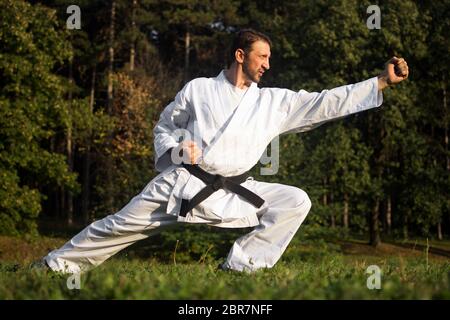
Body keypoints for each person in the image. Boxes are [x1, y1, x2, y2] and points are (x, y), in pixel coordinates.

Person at [40, 29, 409, 274]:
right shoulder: (198, 90)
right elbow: (165, 126)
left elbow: (325, 101)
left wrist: (379, 82)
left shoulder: (273, 103)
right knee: (116, 227)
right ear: (239, 55)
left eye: (269, 58)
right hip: (182, 186)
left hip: (234, 191)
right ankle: (53, 268)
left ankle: (241, 267)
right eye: (261, 57)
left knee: (294, 200)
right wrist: (177, 147)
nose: (267, 64)